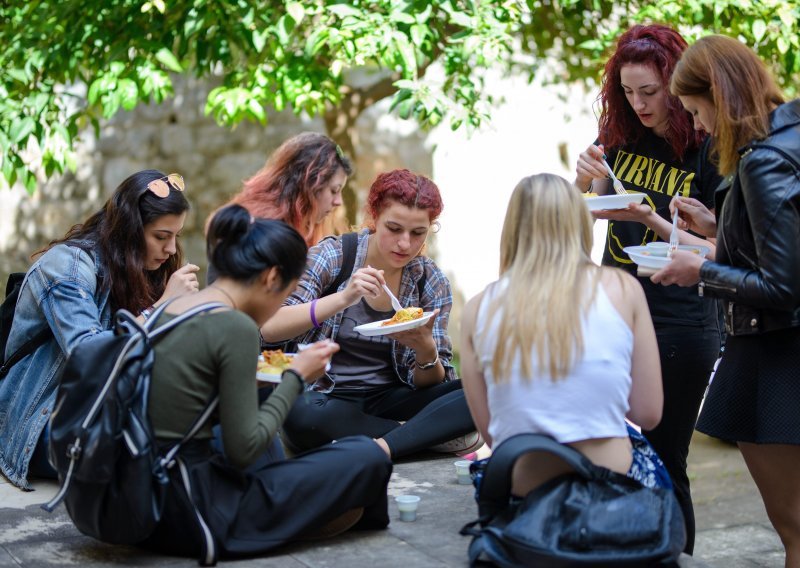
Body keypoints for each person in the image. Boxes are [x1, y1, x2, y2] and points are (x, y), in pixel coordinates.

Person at [142, 205, 392, 559]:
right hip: (196, 513)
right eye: (283, 296)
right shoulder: (236, 326)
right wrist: (295, 377)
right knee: (368, 455)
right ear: (272, 278)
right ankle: (298, 520)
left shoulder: (171, 310)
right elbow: (244, 450)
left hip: (144, 500)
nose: (276, 311)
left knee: (266, 410)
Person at [573, 24, 722, 552]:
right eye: (628, 92)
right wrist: (584, 178)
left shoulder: (708, 145)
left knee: (664, 455)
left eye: (650, 93)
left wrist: (652, 217)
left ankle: (672, 555)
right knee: (610, 447)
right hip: (613, 306)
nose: (638, 104)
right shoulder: (618, 134)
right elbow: (580, 214)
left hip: (682, 318)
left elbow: (722, 245)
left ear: (676, 86)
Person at [657, 34, 800, 566]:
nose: (696, 126)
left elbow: (784, 286)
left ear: (719, 95)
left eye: (695, 110)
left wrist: (702, 269)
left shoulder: (763, 161)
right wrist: (720, 225)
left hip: (777, 353)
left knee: (795, 530)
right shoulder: (790, 137)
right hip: (774, 349)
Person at [460, 173, 668, 498]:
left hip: (525, 497)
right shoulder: (622, 288)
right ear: (579, 224)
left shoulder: (477, 309)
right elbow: (648, 413)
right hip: (610, 494)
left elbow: (493, 435)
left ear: (513, 229)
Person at [260, 168, 479, 460]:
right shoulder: (334, 256)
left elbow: (432, 384)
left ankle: (386, 444)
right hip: (326, 397)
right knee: (302, 416)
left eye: (418, 233)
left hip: (391, 398)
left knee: (485, 388)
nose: (405, 244)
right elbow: (271, 327)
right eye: (394, 228)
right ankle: (421, 435)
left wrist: (426, 351)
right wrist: (344, 297)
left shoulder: (430, 280)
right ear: (374, 217)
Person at [0, 170, 199, 490]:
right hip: (40, 421)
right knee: (155, 452)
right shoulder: (68, 267)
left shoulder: (135, 268)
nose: (172, 249)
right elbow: (88, 353)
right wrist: (162, 308)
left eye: (176, 236)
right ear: (131, 231)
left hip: (100, 407)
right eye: (161, 237)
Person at [223, 131, 352, 247]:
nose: (339, 201)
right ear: (309, 185)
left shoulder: (308, 229)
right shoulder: (261, 232)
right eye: (334, 191)